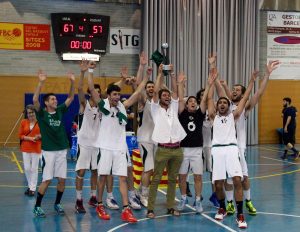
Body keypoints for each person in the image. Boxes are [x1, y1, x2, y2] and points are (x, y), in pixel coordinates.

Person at [87, 61, 149, 223]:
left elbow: (137, 94)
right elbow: (92, 90)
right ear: (108, 96)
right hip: (105, 148)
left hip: (120, 148)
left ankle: (126, 210)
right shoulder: (103, 105)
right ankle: (100, 204)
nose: (117, 97)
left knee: (122, 178)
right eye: (114, 95)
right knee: (102, 178)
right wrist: (90, 70)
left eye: (118, 95)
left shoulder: (123, 106)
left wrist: (146, 76)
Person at [219, 59, 279, 216]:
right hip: (226, 147)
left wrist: (267, 74)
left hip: (239, 148)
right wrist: (223, 85)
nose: (234, 91)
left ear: (243, 93)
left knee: (244, 177)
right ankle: (230, 203)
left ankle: (248, 201)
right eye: (233, 89)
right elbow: (223, 93)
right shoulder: (226, 107)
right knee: (229, 178)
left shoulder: (244, 108)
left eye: (238, 89)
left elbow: (258, 93)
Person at [207, 70, 256, 229]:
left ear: (228, 106)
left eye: (224, 102)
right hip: (217, 151)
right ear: (216, 106)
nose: (222, 104)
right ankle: (222, 207)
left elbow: (245, 98)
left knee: (237, 180)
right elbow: (208, 98)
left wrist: (251, 82)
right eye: (219, 102)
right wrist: (211, 83)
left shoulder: (233, 116)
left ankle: (240, 215)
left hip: (231, 150)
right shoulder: (213, 117)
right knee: (218, 184)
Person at [32, 70, 75, 217]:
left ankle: (57, 203)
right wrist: (41, 82)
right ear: (46, 102)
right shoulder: (42, 114)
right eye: (52, 99)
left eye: (56, 99)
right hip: (49, 151)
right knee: (47, 179)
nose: (55, 101)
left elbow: (70, 97)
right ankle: (37, 206)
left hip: (62, 150)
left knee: (62, 179)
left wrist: (72, 82)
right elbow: (35, 100)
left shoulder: (60, 111)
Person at [147, 64, 187, 218]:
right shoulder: (155, 109)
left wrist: (172, 75)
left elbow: (176, 92)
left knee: (172, 180)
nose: (167, 97)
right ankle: (150, 208)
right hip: (162, 149)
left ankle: (171, 207)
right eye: (164, 95)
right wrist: (159, 74)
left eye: (168, 95)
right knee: (156, 179)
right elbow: (156, 91)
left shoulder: (174, 108)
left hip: (177, 149)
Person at [177, 72, 215, 213]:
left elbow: (204, 100)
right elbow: (180, 99)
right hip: (183, 149)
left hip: (197, 150)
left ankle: (198, 200)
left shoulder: (200, 114)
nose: (192, 102)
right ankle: (183, 198)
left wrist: (209, 84)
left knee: (198, 176)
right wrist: (180, 84)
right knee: (182, 177)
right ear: (186, 105)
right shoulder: (182, 113)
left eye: (194, 101)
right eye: (190, 101)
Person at [74, 60, 102, 213]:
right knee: (82, 171)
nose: (96, 93)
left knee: (95, 171)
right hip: (84, 143)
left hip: (97, 144)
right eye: (94, 91)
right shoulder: (85, 105)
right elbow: (79, 88)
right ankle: (79, 200)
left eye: (98, 91)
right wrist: (83, 72)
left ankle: (92, 197)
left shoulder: (102, 107)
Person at [135, 52, 156, 207]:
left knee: (151, 169)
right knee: (148, 168)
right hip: (144, 139)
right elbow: (137, 85)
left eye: (152, 87)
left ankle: (139, 191)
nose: (149, 88)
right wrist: (142, 67)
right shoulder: (143, 101)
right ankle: (144, 195)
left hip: (156, 140)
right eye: (148, 86)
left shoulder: (158, 102)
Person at [19, 104, 41, 197]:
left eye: (32, 112)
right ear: (26, 114)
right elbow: (20, 135)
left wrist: (39, 136)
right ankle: (30, 186)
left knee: (34, 169)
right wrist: (29, 138)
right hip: (25, 148)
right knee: (27, 168)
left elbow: (45, 134)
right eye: (28, 113)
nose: (30, 114)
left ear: (35, 112)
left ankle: (32, 189)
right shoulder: (23, 122)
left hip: (36, 148)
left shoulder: (40, 122)